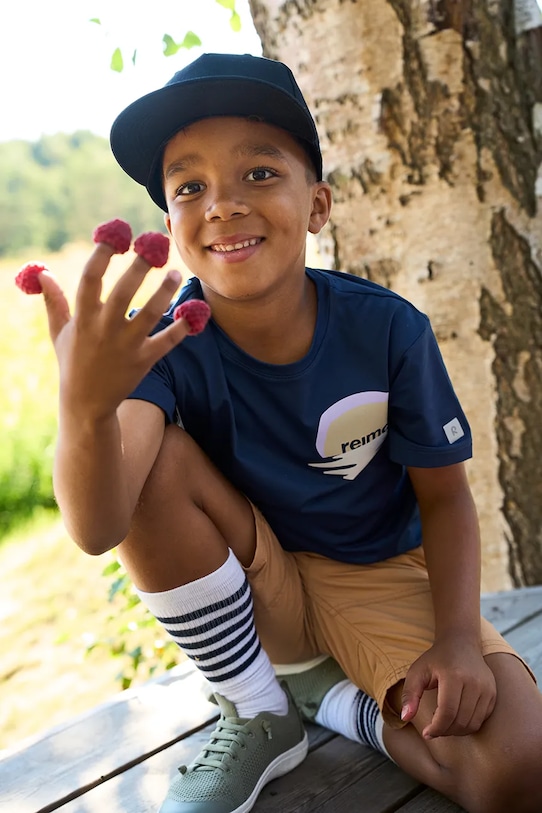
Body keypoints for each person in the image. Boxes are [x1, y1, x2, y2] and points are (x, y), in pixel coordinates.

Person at [40, 53, 542, 813]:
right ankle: (261, 708)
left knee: (515, 771)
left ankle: (334, 701)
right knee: (150, 462)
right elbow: (100, 524)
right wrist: (85, 414)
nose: (223, 204)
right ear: (171, 226)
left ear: (318, 203)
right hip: (253, 582)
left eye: (259, 174)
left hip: (379, 574)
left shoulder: (387, 330)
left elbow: (445, 498)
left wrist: (460, 642)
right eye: (189, 186)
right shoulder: (167, 345)